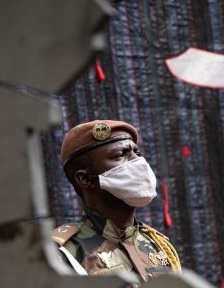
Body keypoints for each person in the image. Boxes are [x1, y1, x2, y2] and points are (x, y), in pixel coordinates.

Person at [52, 119, 180, 279]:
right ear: (85, 179)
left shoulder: (156, 243)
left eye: (137, 153)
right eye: (120, 155)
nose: (138, 161)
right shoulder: (62, 255)